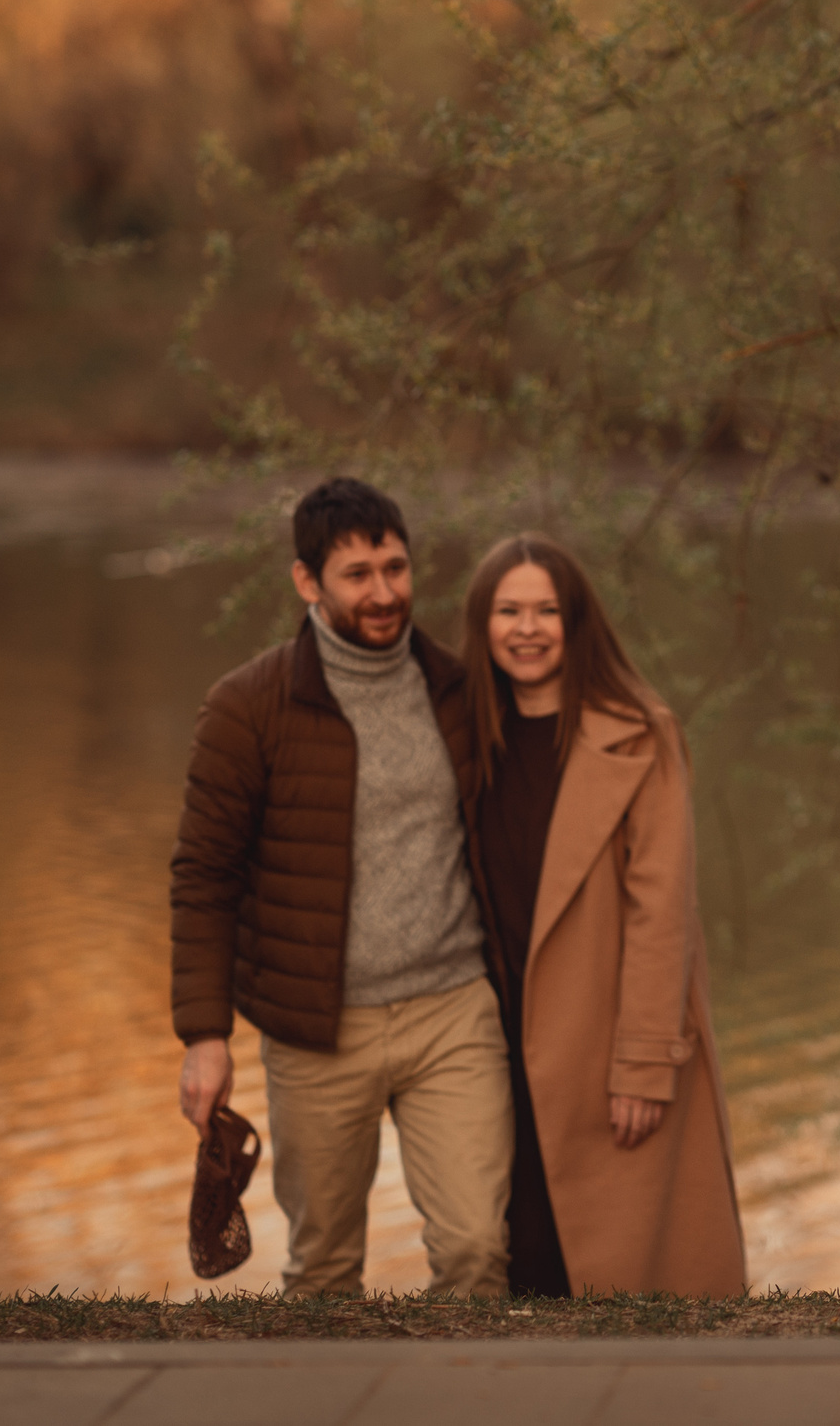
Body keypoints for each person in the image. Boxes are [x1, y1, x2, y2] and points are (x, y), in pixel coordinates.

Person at [169, 478, 512, 1297]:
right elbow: (203, 876)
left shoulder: (462, 692)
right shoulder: (247, 707)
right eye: (357, 574)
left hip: (453, 1014)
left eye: (395, 567)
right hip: (315, 1031)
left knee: (477, 1251)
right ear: (306, 581)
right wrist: (204, 1034)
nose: (384, 592)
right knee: (323, 1274)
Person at [456, 532, 747, 1296]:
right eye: (508, 609)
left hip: (604, 1039)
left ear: (577, 619)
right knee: (515, 1266)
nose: (526, 627)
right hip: (496, 1044)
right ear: (482, 624)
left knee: (615, 1274)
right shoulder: (467, 738)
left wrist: (644, 1064)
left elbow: (663, 912)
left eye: (546, 609)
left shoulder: (640, 733)